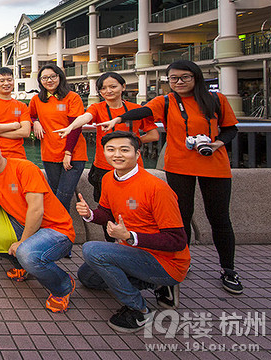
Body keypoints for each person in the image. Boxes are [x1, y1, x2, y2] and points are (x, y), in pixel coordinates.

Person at [98, 60, 241, 294]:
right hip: (178, 166)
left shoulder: (216, 99)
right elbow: (144, 111)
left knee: (219, 218)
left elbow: (231, 128)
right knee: (179, 217)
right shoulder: (166, 101)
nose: (179, 82)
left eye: (184, 77)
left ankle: (229, 269)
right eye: (173, 78)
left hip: (215, 165)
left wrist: (217, 143)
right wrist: (119, 119)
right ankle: (177, 262)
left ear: (196, 77)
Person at [76, 131, 190, 333]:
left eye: (124, 150)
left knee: (92, 250)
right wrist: (90, 215)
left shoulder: (157, 188)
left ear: (137, 154)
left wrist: (130, 237)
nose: (117, 155)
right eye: (111, 150)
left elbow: (177, 241)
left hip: (166, 262)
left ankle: (138, 309)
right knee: (87, 277)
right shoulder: (110, 178)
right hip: (135, 251)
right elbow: (106, 212)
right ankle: (156, 285)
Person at [0, 133, 76, 313]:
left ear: (0, 148)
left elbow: (36, 210)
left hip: (57, 230)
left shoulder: (25, 167)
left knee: (26, 253)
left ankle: (63, 285)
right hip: (29, 228)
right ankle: (23, 266)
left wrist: (22, 242)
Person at [54, 72, 159, 240]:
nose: (108, 91)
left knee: (134, 207)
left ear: (123, 87)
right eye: (103, 88)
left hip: (133, 169)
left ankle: (131, 242)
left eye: (113, 87)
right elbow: (85, 117)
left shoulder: (136, 110)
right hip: (103, 168)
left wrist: (131, 143)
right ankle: (110, 244)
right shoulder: (98, 108)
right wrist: (71, 127)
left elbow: (154, 135)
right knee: (106, 210)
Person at [29, 64, 87, 212]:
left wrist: (68, 153)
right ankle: (61, 231)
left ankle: (62, 232)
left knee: (63, 196)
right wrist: (35, 122)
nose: (49, 80)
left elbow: (75, 126)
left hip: (73, 153)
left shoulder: (72, 97)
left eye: (53, 76)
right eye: (45, 78)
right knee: (55, 196)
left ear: (60, 77)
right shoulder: (37, 99)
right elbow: (29, 115)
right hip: (49, 153)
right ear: (40, 81)